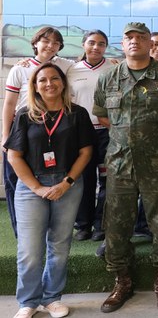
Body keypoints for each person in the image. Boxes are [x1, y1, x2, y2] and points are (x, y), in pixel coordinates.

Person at [94, 22, 158, 313]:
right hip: (121, 163)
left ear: (151, 43)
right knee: (117, 223)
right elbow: (103, 118)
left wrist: (155, 137)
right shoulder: (108, 78)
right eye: (129, 38)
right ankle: (121, 280)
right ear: (122, 44)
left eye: (141, 37)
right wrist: (130, 138)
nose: (135, 41)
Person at [5, 63, 94, 318]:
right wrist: (38, 188)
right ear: (34, 86)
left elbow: (86, 152)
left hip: (68, 184)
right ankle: (28, 302)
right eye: (42, 80)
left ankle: (52, 298)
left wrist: (66, 182)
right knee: (30, 249)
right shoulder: (25, 115)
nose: (49, 84)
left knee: (60, 244)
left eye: (54, 78)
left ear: (63, 83)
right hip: (31, 186)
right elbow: (14, 156)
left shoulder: (77, 114)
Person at [2, 27, 74, 238]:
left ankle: (48, 230)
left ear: (60, 47)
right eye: (46, 41)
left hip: (50, 131)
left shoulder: (64, 66)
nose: (50, 45)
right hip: (22, 129)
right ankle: (20, 232)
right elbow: (9, 105)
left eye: (55, 43)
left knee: (46, 177)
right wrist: (5, 137)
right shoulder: (20, 69)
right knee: (15, 180)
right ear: (36, 43)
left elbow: (87, 65)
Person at [69, 30, 114, 243]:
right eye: (92, 43)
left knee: (107, 181)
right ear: (83, 44)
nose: (96, 47)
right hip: (81, 134)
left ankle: (101, 225)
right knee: (84, 180)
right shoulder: (72, 70)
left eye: (101, 44)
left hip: (107, 132)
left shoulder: (114, 68)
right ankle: (83, 225)